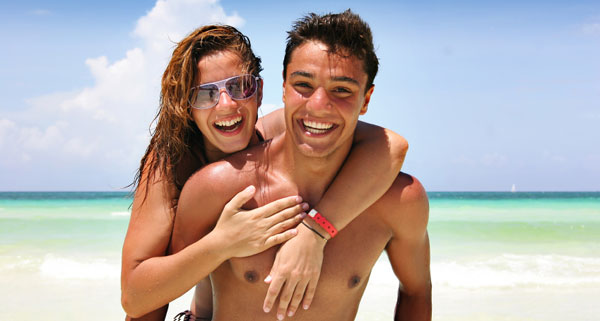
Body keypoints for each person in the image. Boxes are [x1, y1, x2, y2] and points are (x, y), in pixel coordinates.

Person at [121, 24, 408, 320]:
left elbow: (392, 147)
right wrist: (223, 243)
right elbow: (136, 300)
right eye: (204, 95)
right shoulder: (171, 163)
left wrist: (315, 232)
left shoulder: (283, 130)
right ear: (186, 106)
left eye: (239, 86)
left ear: (258, 90)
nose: (226, 105)